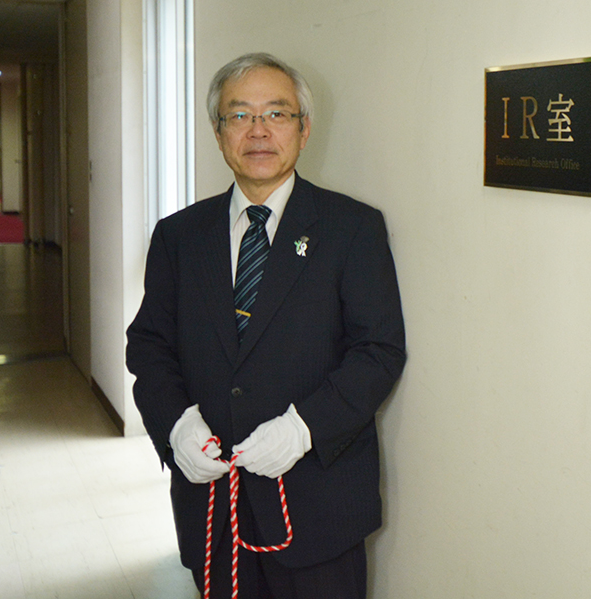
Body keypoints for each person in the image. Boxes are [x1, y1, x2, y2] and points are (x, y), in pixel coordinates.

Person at [126, 52, 406, 599]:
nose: (258, 130)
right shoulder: (178, 236)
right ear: (217, 131)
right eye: (240, 115)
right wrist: (175, 425)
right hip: (213, 503)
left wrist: (304, 427)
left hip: (317, 507)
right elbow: (150, 345)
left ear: (303, 130)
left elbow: (378, 350)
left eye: (276, 114)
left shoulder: (353, 228)